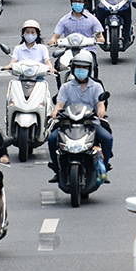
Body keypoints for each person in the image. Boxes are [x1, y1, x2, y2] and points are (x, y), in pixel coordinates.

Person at [46, 50, 113, 182]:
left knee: (107, 138)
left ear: (90, 69)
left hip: (90, 123)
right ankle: (57, 169)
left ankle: (102, 170)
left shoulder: (96, 86)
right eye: (78, 67)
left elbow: (100, 104)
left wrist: (101, 111)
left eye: (85, 67)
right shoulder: (65, 87)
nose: (81, 70)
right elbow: (60, 104)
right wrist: (54, 112)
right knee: (52, 139)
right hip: (68, 123)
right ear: (73, 69)